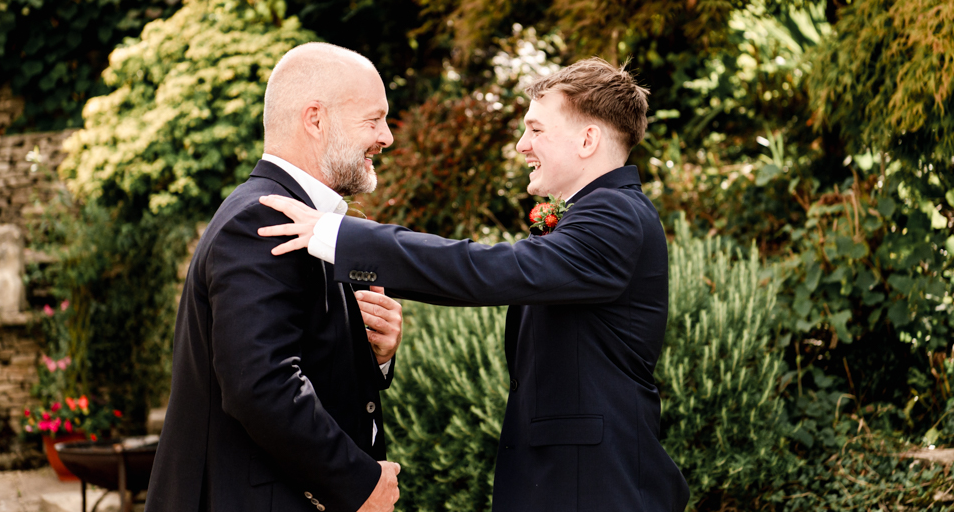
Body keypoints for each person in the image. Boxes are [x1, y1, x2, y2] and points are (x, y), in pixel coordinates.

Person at [258, 57, 691, 512]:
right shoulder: (592, 217)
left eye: (536, 130)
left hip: (598, 490)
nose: (523, 145)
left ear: (588, 140)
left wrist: (338, 236)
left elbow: (485, 270)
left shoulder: (616, 216)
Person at [146, 43, 405, 512]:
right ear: (315, 119)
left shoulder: (307, 219)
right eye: (373, 120)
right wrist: (359, 481)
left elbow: (303, 359)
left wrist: (375, 355)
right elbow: (261, 385)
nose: (386, 137)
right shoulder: (261, 219)